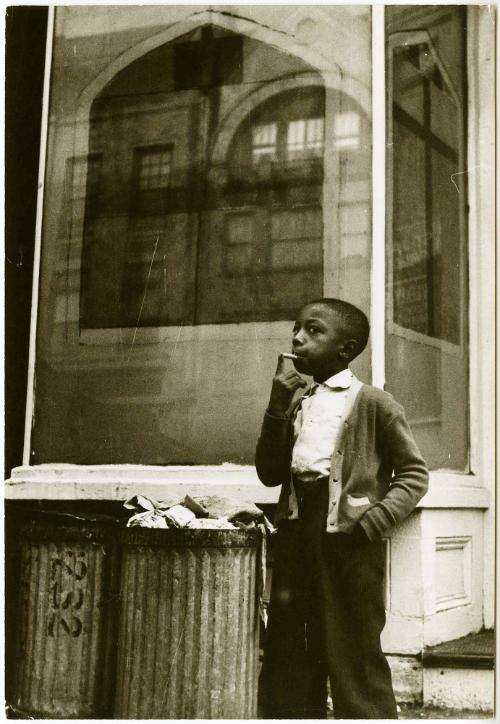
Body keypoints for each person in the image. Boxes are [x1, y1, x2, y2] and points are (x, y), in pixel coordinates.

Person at [256, 298, 429, 719]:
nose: (298, 338)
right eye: (297, 329)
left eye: (313, 331)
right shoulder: (298, 402)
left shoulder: (374, 404)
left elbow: (414, 475)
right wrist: (278, 402)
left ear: (345, 349)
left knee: (353, 645)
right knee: (289, 645)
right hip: (297, 535)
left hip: (349, 544)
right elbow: (269, 473)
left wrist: (373, 522)